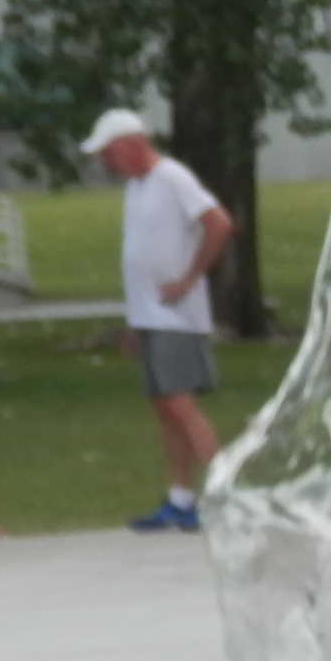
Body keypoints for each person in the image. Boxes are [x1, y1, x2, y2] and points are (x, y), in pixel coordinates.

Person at [83, 108, 238, 536]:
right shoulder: (137, 188)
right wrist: (134, 322)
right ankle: (180, 498)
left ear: (130, 145)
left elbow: (219, 224)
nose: (107, 163)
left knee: (181, 405)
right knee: (164, 409)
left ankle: (227, 495)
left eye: (109, 154)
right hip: (149, 316)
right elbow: (142, 253)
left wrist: (190, 278)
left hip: (175, 316)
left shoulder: (172, 178)